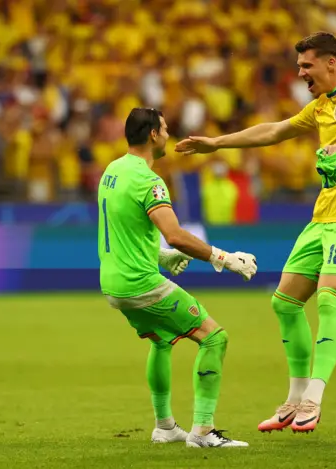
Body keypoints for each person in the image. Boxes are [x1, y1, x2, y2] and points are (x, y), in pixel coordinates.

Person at [176, 32, 336, 433]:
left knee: (328, 297)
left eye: (307, 65)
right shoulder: (321, 107)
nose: (301, 72)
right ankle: (294, 397)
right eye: (300, 66)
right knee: (285, 302)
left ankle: (314, 398)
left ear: (332, 62)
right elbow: (273, 131)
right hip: (321, 218)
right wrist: (217, 143)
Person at [98, 108, 257, 448]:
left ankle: (165, 426)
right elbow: (176, 235)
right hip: (141, 284)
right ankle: (202, 431)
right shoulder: (148, 180)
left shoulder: (112, 171)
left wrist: (162, 257)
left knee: (161, 340)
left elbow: (125, 231)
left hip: (113, 283)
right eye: (166, 129)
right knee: (214, 338)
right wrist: (225, 259)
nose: (169, 134)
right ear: (153, 134)